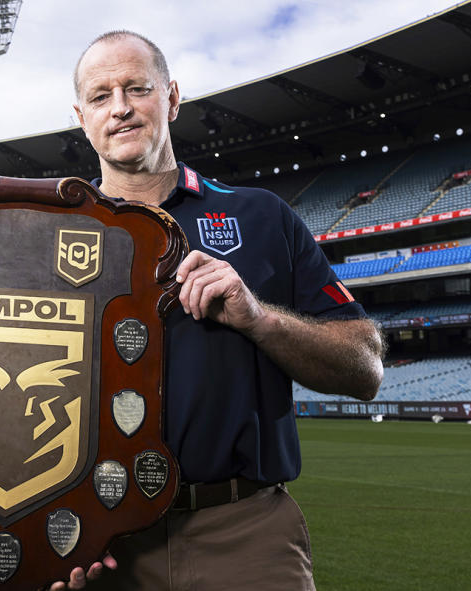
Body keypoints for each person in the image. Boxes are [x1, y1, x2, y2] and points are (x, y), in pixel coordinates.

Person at [51, 30, 384, 590]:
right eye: (102, 96)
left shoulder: (261, 216)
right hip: (99, 536)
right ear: (81, 117)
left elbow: (366, 368)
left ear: (173, 98)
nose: (122, 108)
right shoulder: (51, 234)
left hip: (243, 530)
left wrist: (261, 318)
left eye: (138, 88)